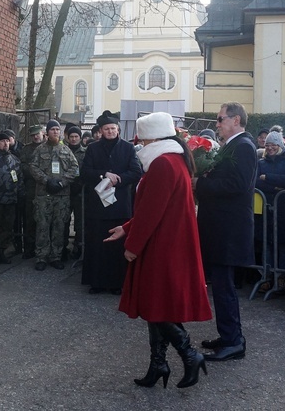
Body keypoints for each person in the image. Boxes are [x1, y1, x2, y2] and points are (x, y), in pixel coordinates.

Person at [104, 112, 212, 389]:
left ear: (152, 137)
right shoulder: (173, 160)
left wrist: (132, 245)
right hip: (167, 242)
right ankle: (158, 364)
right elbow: (153, 208)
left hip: (163, 245)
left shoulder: (163, 163)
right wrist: (128, 228)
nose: (139, 143)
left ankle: (190, 355)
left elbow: (152, 211)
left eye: (142, 138)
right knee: (157, 305)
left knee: (156, 306)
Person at [193, 102, 257, 362]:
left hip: (229, 229)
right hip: (221, 227)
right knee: (220, 286)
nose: (217, 123)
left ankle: (233, 342)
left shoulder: (244, 146)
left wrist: (200, 183)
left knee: (224, 287)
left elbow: (238, 185)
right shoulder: (234, 145)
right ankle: (228, 335)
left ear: (236, 120)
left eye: (220, 119)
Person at [81, 110, 142, 294]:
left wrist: (119, 179)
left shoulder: (128, 148)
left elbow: (136, 172)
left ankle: (118, 283)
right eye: (107, 129)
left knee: (117, 245)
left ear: (118, 129)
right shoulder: (93, 148)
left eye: (113, 128)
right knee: (97, 244)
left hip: (119, 205)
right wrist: (103, 175)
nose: (110, 132)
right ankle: (97, 282)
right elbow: (84, 173)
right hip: (98, 206)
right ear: (101, 131)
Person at [29, 120, 79, 270]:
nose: (55, 132)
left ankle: (55, 256)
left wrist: (62, 183)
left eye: (57, 129)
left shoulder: (66, 150)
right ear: (47, 132)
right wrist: (46, 181)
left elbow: (75, 169)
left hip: (62, 195)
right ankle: (41, 257)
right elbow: (33, 167)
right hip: (44, 194)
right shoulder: (39, 150)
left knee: (59, 226)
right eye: (52, 130)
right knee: (43, 225)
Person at [255, 131, 285, 278]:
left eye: (273, 145)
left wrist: (267, 177)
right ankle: (266, 277)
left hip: (283, 210)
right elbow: (256, 183)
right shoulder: (260, 162)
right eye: (267, 145)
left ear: (280, 145)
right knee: (267, 244)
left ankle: (281, 278)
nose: (270, 148)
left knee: (283, 245)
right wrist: (275, 187)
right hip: (266, 210)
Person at [0, 132, 24, 267]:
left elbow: (19, 179)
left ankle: (1, 252)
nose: (6, 143)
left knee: (7, 227)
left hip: (11, 200)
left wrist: (21, 194)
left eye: (7, 141)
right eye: (2, 141)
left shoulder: (14, 159)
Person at [19, 125, 45, 259]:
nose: (36, 137)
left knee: (44, 219)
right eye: (33, 135)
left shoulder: (48, 147)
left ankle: (43, 247)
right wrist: (35, 173)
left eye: (38, 134)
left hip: (45, 188)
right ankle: (28, 248)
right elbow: (22, 166)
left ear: (42, 133)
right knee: (29, 218)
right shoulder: (26, 149)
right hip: (31, 187)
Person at [65, 125, 86, 259]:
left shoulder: (86, 152)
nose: (73, 139)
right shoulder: (63, 151)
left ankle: (79, 247)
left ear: (80, 137)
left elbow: (87, 170)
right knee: (64, 221)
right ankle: (63, 247)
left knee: (80, 222)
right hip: (65, 191)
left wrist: (81, 184)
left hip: (80, 192)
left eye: (76, 137)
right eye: (71, 136)